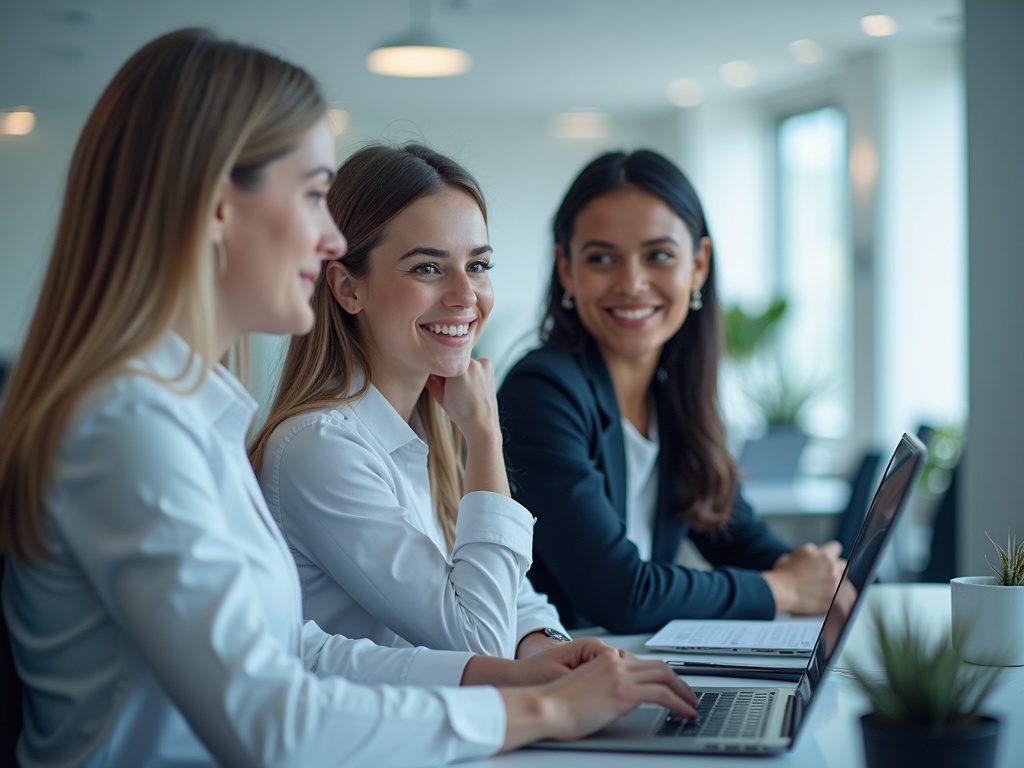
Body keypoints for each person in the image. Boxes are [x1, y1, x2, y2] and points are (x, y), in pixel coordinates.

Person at [0, 34, 696, 767]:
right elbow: (270, 722)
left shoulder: (187, 411)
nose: (331, 237)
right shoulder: (127, 429)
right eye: (311, 195)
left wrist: (513, 676)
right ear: (214, 209)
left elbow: (296, 650)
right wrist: (536, 706)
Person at [498, 149, 844, 634]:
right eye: (602, 259)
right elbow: (620, 593)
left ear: (698, 265)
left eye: (658, 255)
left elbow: (734, 533)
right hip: (555, 676)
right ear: (567, 269)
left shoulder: (674, 395)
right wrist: (784, 588)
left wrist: (821, 574)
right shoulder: (542, 392)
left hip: (634, 666)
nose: (632, 283)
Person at [250, 144, 572, 661]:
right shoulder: (320, 446)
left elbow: (506, 589)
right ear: (348, 288)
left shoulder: (428, 419)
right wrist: (486, 440)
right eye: (427, 268)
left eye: (479, 264)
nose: (466, 294)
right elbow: (477, 640)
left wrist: (548, 649)